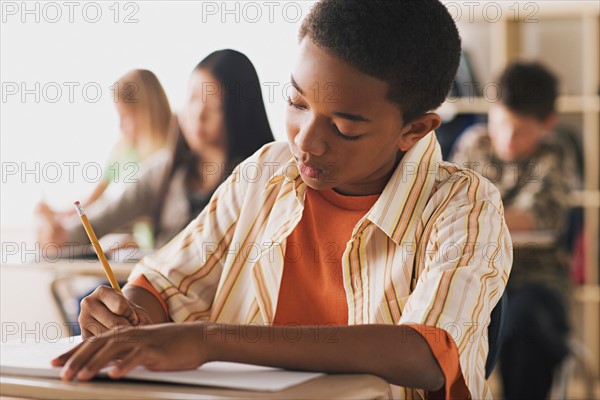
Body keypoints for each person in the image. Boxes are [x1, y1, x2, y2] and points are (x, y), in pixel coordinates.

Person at [53, 2, 512, 399]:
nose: (306, 142)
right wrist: (127, 315)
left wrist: (212, 339)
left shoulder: (463, 204)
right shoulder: (265, 174)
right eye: (296, 103)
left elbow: (426, 351)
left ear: (414, 130)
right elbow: (165, 285)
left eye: (345, 128)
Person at [36, 49, 275, 250]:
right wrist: (62, 234)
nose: (198, 115)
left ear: (240, 112)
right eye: (192, 99)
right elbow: (107, 215)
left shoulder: (259, 180)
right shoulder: (163, 169)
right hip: (153, 297)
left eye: (214, 106)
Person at [450, 62, 577, 399]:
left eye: (520, 130)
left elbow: (535, 216)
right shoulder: (473, 143)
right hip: (476, 278)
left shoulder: (555, 153)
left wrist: (477, 215)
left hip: (535, 281)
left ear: (547, 124)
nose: (507, 138)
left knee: (523, 322)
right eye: (501, 123)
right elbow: (450, 210)